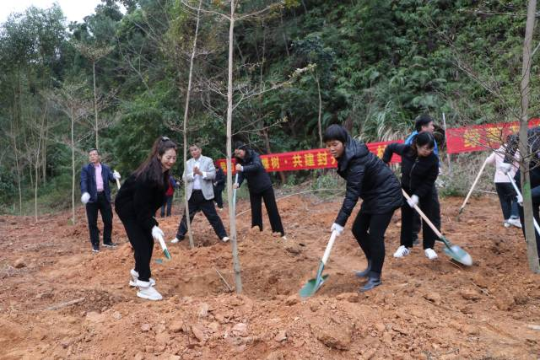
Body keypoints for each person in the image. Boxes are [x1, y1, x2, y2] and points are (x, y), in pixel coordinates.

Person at [324, 125, 402, 291]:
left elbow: (352, 194)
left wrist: (339, 222)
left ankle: (375, 276)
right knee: (358, 229)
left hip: (386, 194)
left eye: (335, 144)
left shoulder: (356, 160)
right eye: (328, 145)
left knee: (375, 235)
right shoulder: (349, 154)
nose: (331, 149)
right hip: (373, 195)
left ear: (344, 142)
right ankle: (372, 262)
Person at [115, 136, 177, 301]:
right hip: (128, 208)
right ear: (159, 155)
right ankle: (143, 284)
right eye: (168, 157)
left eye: (173, 158)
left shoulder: (162, 173)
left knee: (147, 242)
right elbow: (140, 206)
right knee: (142, 244)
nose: (171, 161)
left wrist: (151, 224)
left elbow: (148, 204)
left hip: (140, 208)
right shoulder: (148, 176)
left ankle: (137, 273)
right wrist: (152, 225)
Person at [383, 132, 440, 260]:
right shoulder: (406, 150)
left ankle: (429, 247)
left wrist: (417, 195)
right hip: (406, 189)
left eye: (430, 149)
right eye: (425, 148)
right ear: (417, 145)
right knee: (407, 216)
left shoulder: (433, 160)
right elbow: (390, 147)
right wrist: (384, 162)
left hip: (425, 191)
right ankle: (405, 246)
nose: (428, 151)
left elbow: (429, 181)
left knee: (428, 216)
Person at [171, 144, 229, 244]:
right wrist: (193, 173)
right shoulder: (188, 163)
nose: (194, 152)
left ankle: (223, 235)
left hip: (204, 194)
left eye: (195, 149)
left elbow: (213, 174)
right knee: (187, 216)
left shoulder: (208, 160)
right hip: (192, 194)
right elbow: (184, 177)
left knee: (212, 216)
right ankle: (179, 236)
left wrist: (200, 173)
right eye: (191, 150)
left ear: (200, 150)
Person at [233, 142, 285, 239]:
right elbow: (240, 175)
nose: (238, 155)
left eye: (239, 153)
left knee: (272, 210)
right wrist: (238, 183)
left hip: (265, 187)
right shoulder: (239, 161)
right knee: (255, 212)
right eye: (236, 154)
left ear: (244, 150)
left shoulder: (254, 155)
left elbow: (256, 166)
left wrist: (243, 168)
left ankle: (279, 233)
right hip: (253, 189)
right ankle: (257, 234)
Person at [404, 114, 442, 242]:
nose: (433, 127)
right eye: (431, 125)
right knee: (414, 209)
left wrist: (437, 167)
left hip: (428, 181)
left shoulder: (431, 139)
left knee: (434, 206)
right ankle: (412, 236)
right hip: (414, 182)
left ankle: (436, 234)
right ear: (423, 127)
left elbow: (434, 156)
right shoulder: (411, 141)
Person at [80, 148, 121, 253]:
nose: (92, 156)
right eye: (90, 155)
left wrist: (115, 176)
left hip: (104, 197)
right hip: (91, 198)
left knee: (108, 220)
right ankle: (95, 244)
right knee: (92, 222)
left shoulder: (106, 168)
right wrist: (84, 192)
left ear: (99, 156)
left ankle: (107, 241)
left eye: (94, 154)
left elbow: (111, 178)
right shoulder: (86, 169)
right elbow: (83, 181)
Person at [485, 135, 521, 228]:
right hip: (510, 179)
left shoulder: (498, 150)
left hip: (498, 180)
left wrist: (497, 165)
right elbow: (519, 164)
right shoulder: (516, 151)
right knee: (517, 197)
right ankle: (514, 218)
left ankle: (507, 222)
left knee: (504, 201)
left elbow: (488, 161)